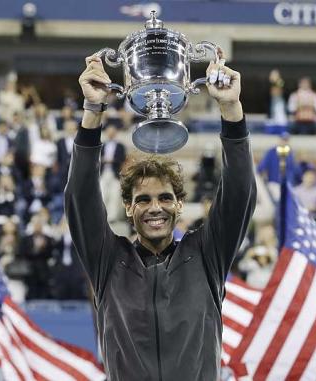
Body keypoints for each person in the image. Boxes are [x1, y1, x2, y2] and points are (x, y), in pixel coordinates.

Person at [65, 55, 256, 380]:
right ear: (128, 207)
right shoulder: (109, 261)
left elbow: (240, 192)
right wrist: (93, 111)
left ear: (180, 204)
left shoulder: (205, 255)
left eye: (165, 197)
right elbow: (79, 197)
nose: (155, 207)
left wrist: (231, 110)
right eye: (144, 199)